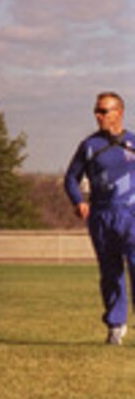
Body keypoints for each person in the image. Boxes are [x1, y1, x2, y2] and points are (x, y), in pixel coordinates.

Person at [63, 91, 135, 345]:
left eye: (104, 111)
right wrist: (78, 201)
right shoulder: (90, 146)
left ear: (119, 112)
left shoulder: (132, 142)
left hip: (131, 214)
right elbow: (71, 177)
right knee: (110, 272)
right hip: (102, 215)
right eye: (97, 111)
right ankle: (116, 326)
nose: (98, 116)